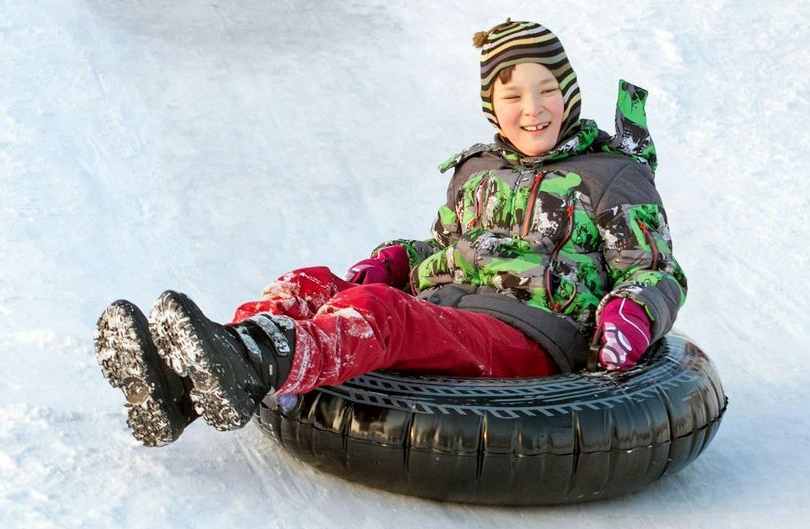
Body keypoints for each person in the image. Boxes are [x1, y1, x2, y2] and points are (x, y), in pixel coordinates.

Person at [95, 19, 688, 446]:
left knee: (379, 312)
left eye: (548, 91)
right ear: (492, 107)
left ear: (570, 93)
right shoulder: (476, 171)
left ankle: (252, 360)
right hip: (450, 309)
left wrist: (632, 315)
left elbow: (653, 270)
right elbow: (446, 246)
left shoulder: (611, 177)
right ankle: (190, 380)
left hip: (528, 333)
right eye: (513, 96)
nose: (533, 109)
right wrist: (400, 260)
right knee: (311, 282)